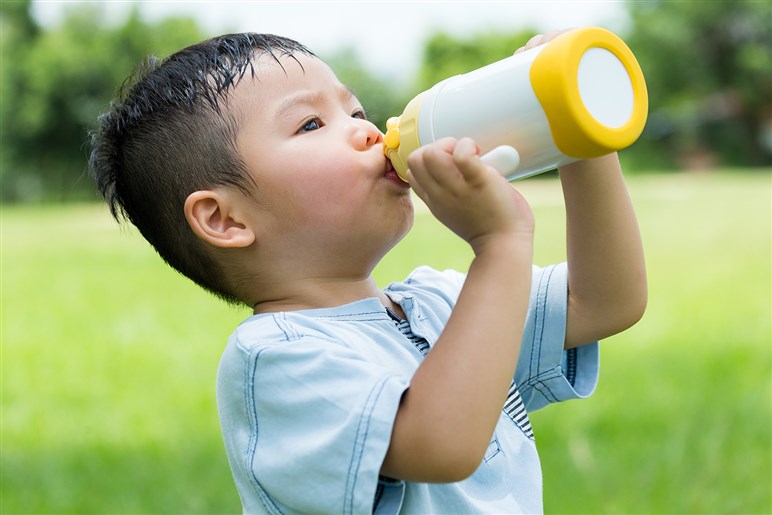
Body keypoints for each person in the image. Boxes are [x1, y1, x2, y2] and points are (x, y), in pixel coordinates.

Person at [89, 31, 646, 514]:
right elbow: (440, 444)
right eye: (311, 123)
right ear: (225, 218)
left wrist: (578, 137)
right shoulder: (274, 359)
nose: (367, 131)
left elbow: (603, 303)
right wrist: (499, 246)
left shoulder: (438, 303)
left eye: (355, 113)